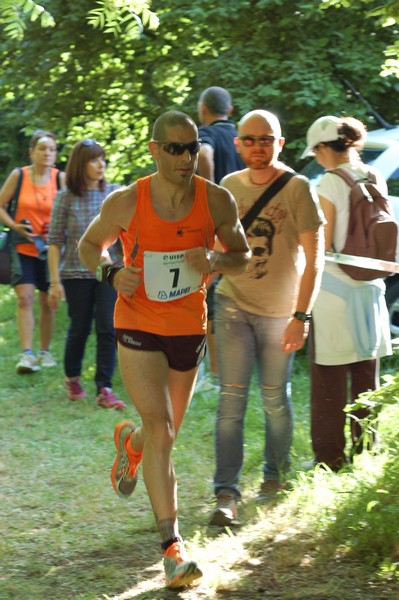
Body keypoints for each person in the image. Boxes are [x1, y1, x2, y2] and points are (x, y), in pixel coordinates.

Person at [77, 110, 251, 588]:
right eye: (174, 148)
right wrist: (112, 274)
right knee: (163, 425)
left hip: (187, 328)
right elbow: (89, 246)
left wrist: (216, 258)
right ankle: (173, 549)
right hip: (136, 322)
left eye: (191, 147)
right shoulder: (127, 201)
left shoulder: (216, 201)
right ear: (154, 150)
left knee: (161, 436)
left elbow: (243, 256)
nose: (184, 157)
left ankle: (129, 444)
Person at [209, 109, 325, 527]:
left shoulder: (298, 187)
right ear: (238, 144)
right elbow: (219, 249)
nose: (258, 146)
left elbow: (316, 258)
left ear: (280, 143)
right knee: (230, 402)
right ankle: (226, 493)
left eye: (266, 139)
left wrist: (301, 315)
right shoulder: (227, 186)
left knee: (275, 399)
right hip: (232, 305)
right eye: (250, 139)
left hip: (281, 313)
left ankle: (275, 478)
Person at [302, 115, 392, 471]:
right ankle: (366, 449)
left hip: (334, 291)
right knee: (366, 378)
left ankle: (329, 459)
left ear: (325, 148)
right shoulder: (376, 176)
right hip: (371, 290)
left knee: (329, 380)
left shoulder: (328, 182)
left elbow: (321, 241)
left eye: (317, 152)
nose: (317, 158)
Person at [47, 139, 126, 409]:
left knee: (107, 327)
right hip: (75, 273)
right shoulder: (65, 197)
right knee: (79, 328)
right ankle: (72, 378)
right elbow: (55, 240)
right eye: (94, 159)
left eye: (103, 158)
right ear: (81, 164)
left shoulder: (115, 194)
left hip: (108, 272)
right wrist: (54, 281)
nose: (101, 164)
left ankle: (104, 388)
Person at [0, 130, 66, 374]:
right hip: (22, 245)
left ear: (55, 153)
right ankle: (27, 355)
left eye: (51, 149)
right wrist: (13, 225)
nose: (46, 153)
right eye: (41, 148)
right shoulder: (19, 175)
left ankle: (45, 352)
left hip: (51, 249)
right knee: (24, 297)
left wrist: (59, 228)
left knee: (47, 302)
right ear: (32, 151)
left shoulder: (61, 179)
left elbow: (71, 208)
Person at [197, 86, 246, 374]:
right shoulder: (245, 137)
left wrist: (213, 194)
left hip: (221, 227)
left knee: (208, 290)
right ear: (230, 109)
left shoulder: (208, 133)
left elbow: (204, 155)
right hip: (251, 226)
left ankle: (213, 370)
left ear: (204, 109)